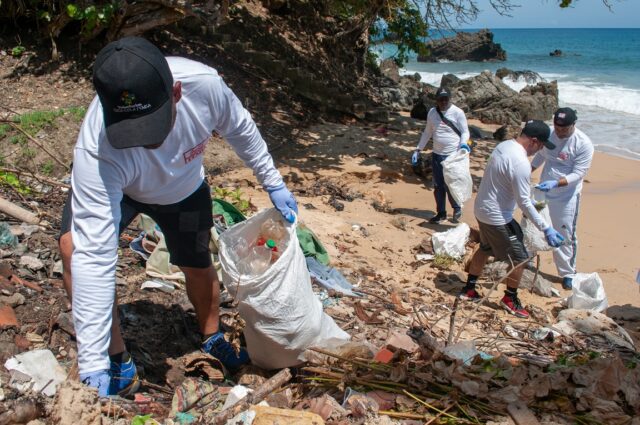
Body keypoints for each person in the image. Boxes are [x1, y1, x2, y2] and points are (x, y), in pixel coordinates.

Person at [58, 37, 298, 396]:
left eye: (152, 127)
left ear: (176, 94)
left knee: (197, 262)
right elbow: (95, 256)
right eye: (132, 131)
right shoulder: (97, 147)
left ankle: (211, 336)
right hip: (122, 192)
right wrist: (90, 362)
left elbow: (241, 130)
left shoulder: (206, 87)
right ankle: (114, 358)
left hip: (184, 192)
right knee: (73, 248)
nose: (144, 142)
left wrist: (273, 183)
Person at [459, 120, 564, 318]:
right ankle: (509, 298)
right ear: (533, 141)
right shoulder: (521, 162)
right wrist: (545, 228)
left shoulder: (504, 145)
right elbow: (524, 201)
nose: (540, 149)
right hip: (496, 216)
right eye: (541, 145)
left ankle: (469, 289)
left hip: (482, 209)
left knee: (485, 247)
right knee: (520, 258)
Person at [531, 107, 594, 290]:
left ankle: (567, 272)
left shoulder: (583, 144)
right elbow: (540, 156)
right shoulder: (550, 134)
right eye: (557, 127)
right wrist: (528, 170)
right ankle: (526, 260)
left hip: (566, 195)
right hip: (543, 190)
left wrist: (556, 183)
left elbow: (579, 173)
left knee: (564, 232)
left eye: (564, 128)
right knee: (534, 224)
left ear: (573, 124)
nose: (559, 131)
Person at [411, 87, 471, 224]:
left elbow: (465, 132)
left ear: (450, 98)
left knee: (451, 184)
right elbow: (427, 132)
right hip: (437, 155)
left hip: (452, 156)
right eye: (440, 99)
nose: (443, 101)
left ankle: (457, 209)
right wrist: (418, 150)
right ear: (436, 100)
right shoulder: (432, 112)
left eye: (446, 99)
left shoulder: (458, 112)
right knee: (438, 185)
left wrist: (463, 144)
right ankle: (441, 213)